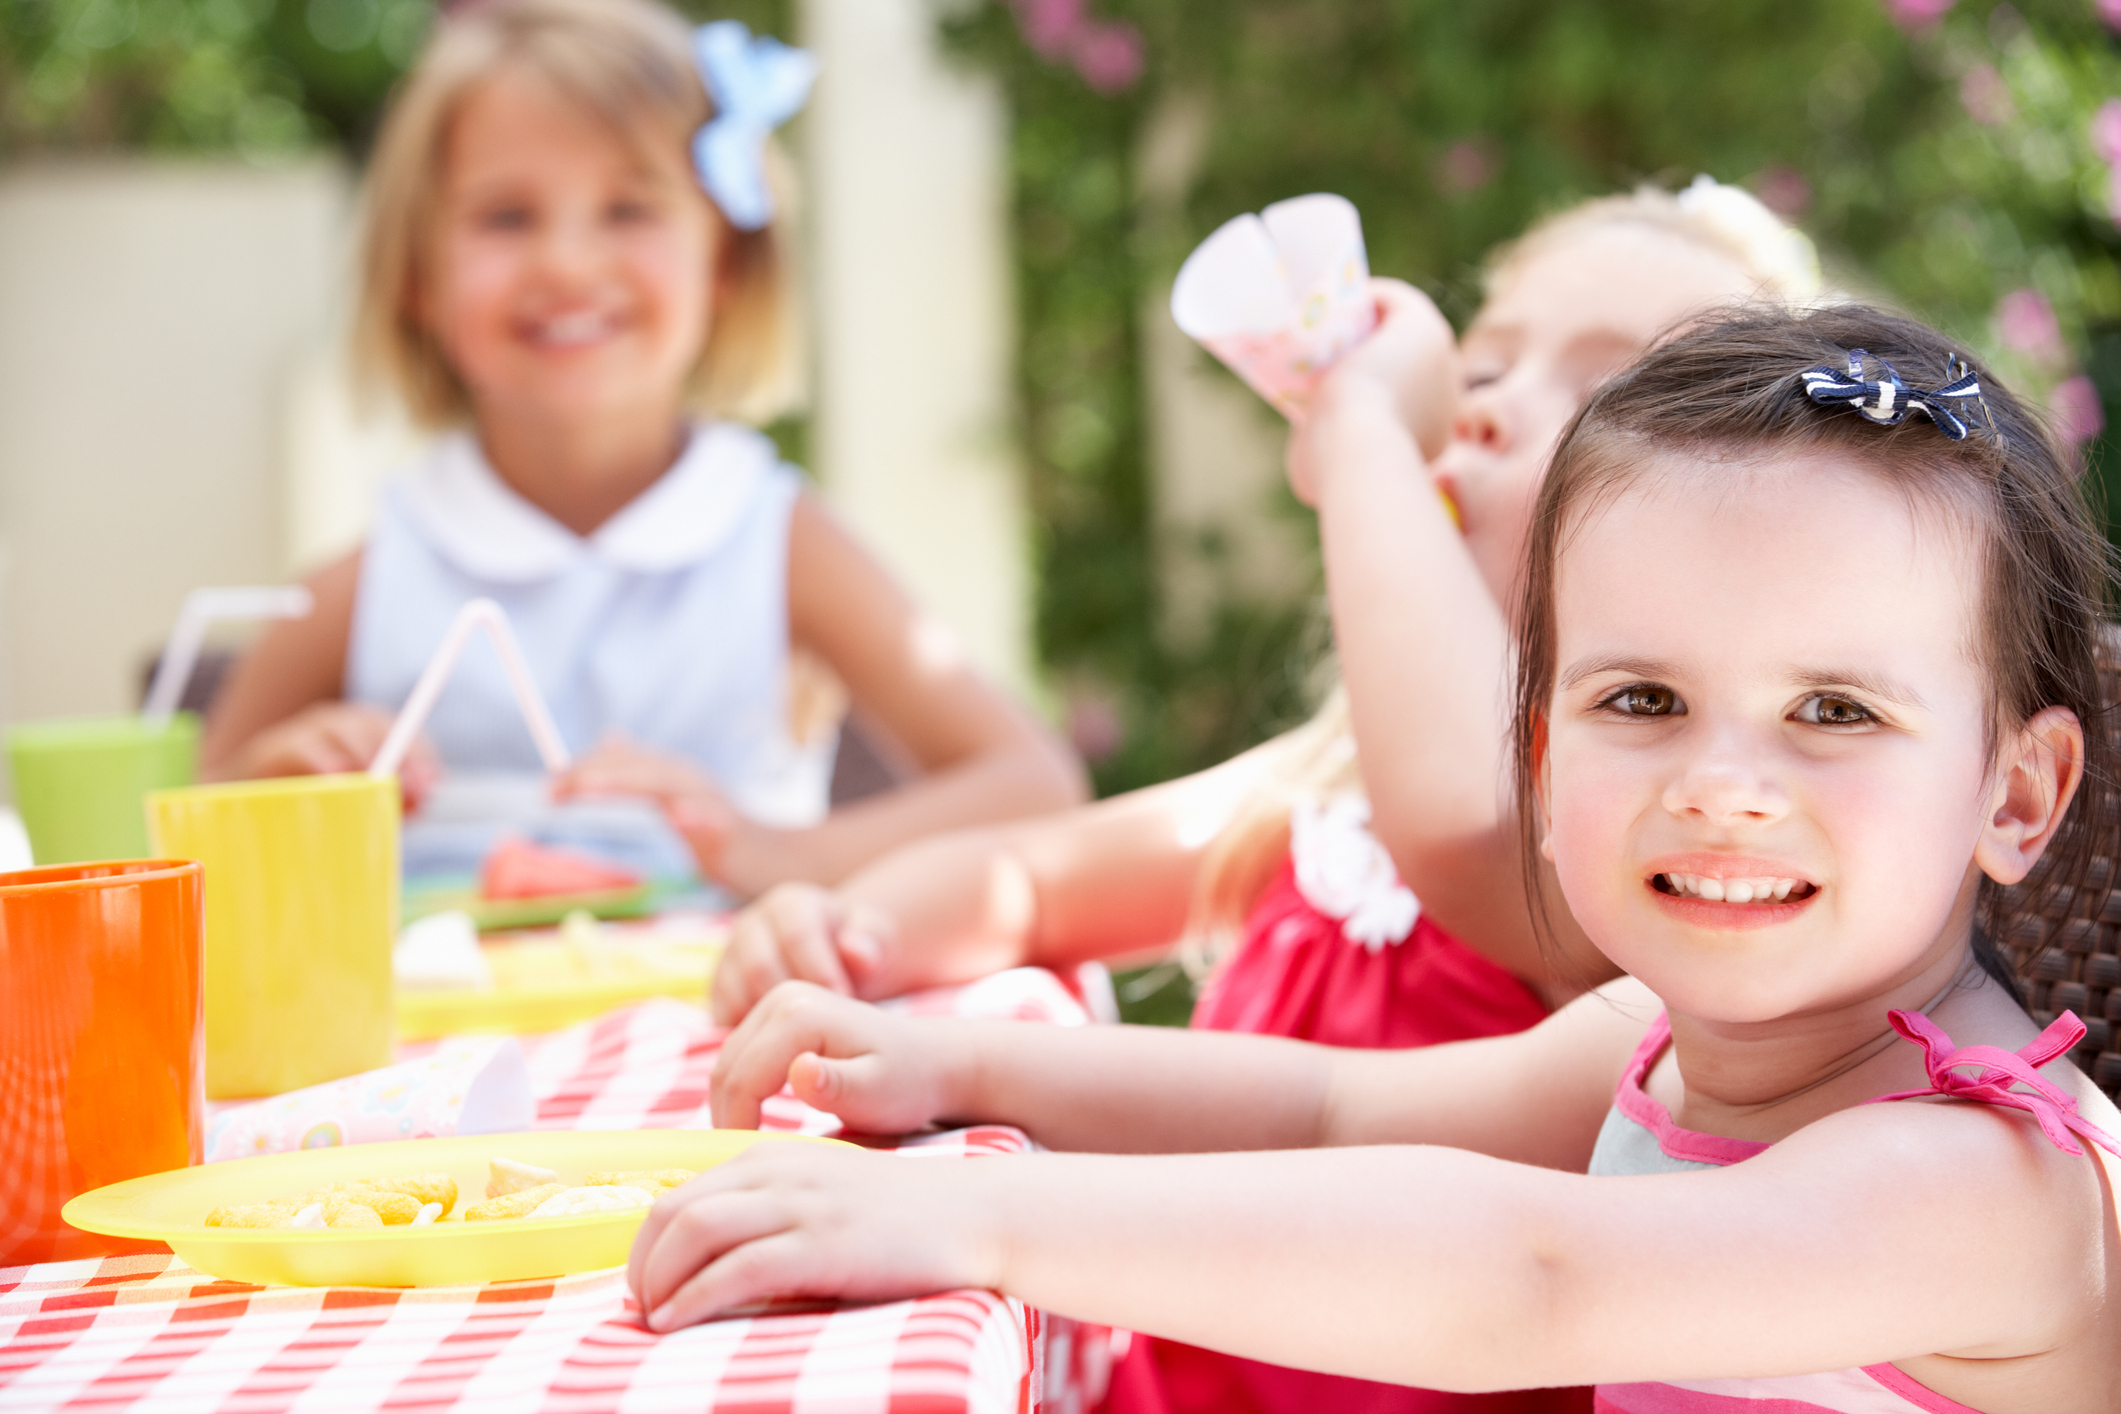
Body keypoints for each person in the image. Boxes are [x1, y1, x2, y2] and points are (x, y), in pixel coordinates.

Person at [635, 304, 2121, 1414]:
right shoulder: (1667, 1045)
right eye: (1642, 701)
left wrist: (977, 1215)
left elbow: (1534, 1275)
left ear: (2017, 789)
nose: (1721, 786)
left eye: (1834, 710)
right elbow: (1326, 1103)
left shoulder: (1982, 1182)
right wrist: (959, 1068)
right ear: (1538, 752)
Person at [707, 182, 1819, 1414]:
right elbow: (1031, 881)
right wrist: (854, 925)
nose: (1487, 407)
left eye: (1604, 388)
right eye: (1485, 362)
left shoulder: (1663, 859)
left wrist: (1358, 433)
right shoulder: (1334, 790)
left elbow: (1469, 820)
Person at [201, 0, 1085, 889]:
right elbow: (183, 846)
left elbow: (1034, 786)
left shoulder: (777, 542)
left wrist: (775, 854)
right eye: (506, 217)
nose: (569, 263)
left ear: (726, 264)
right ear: (416, 277)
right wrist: (272, 801)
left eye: (629, 208)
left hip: (736, 1019)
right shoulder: (367, 583)